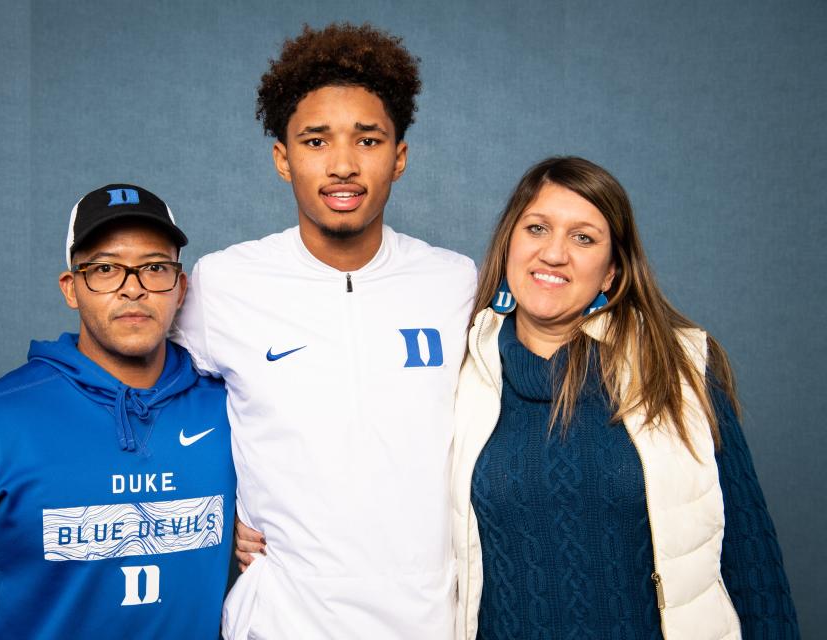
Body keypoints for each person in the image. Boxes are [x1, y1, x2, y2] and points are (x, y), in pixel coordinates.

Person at [173, 23, 477, 639]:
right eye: (316, 141)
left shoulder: (455, 282)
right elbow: (158, 404)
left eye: (368, 140)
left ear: (400, 156)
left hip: (431, 621)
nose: (343, 164)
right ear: (283, 159)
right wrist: (208, 507)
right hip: (282, 620)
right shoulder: (224, 283)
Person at [451, 157, 799, 639]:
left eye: (583, 238)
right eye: (537, 228)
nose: (554, 253)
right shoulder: (456, 372)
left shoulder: (677, 366)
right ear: (510, 243)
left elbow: (751, 556)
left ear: (612, 271)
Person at [0, 184, 235, 639]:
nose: (133, 289)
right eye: (105, 269)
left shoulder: (229, 410)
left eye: (154, 268)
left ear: (180, 288)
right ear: (71, 288)